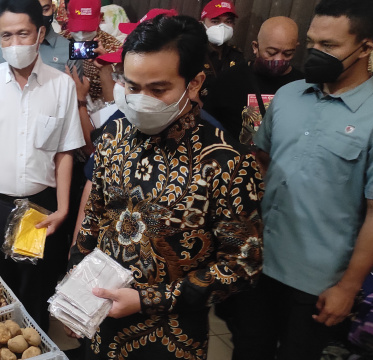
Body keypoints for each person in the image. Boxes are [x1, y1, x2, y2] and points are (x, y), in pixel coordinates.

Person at [70, 14, 263, 360]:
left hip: (171, 337)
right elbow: (94, 215)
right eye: (131, 86)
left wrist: (148, 299)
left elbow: (242, 265)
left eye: (158, 89)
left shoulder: (227, 162)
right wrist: (74, 288)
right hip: (99, 319)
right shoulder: (114, 136)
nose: (141, 100)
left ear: (194, 82)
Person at [233, 1, 373, 359]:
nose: (316, 54)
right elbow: (262, 161)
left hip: (319, 284)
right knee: (246, 350)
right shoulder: (289, 95)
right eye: (312, 44)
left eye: (330, 46)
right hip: (260, 264)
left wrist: (348, 288)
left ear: (366, 46)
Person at [0, 0, 85, 331]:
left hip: (41, 210)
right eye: (6, 36)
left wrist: (64, 208)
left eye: (23, 34)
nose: (14, 44)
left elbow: (65, 151)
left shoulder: (61, 85)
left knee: (35, 289)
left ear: (39, 33)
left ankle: (37, 349)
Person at [204, 16, 303, 142]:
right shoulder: (229, 79)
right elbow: (207, 126)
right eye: (271, 53)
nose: (279, 59)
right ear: (255, 47)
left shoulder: (303, 86)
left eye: (288, 54)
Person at [0, 0, 80, 73]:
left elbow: (75, 93)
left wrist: (80, 100)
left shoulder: (68, 49)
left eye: (45, 9)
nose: (38, 16)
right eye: (31, 11)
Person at [61, 0, 121, 104]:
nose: (82, 34)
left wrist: (106, 67)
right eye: (77, 28)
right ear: (67, 16)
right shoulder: (60, 42)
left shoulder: (115, 50)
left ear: (100, 17)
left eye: (88, 29)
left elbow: (117, 102)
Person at [199, 0, 244, 101]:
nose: (222, 27)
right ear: (203, 23)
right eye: (215, 21)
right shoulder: (195, 53)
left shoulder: (237, 55)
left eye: (228, 22)